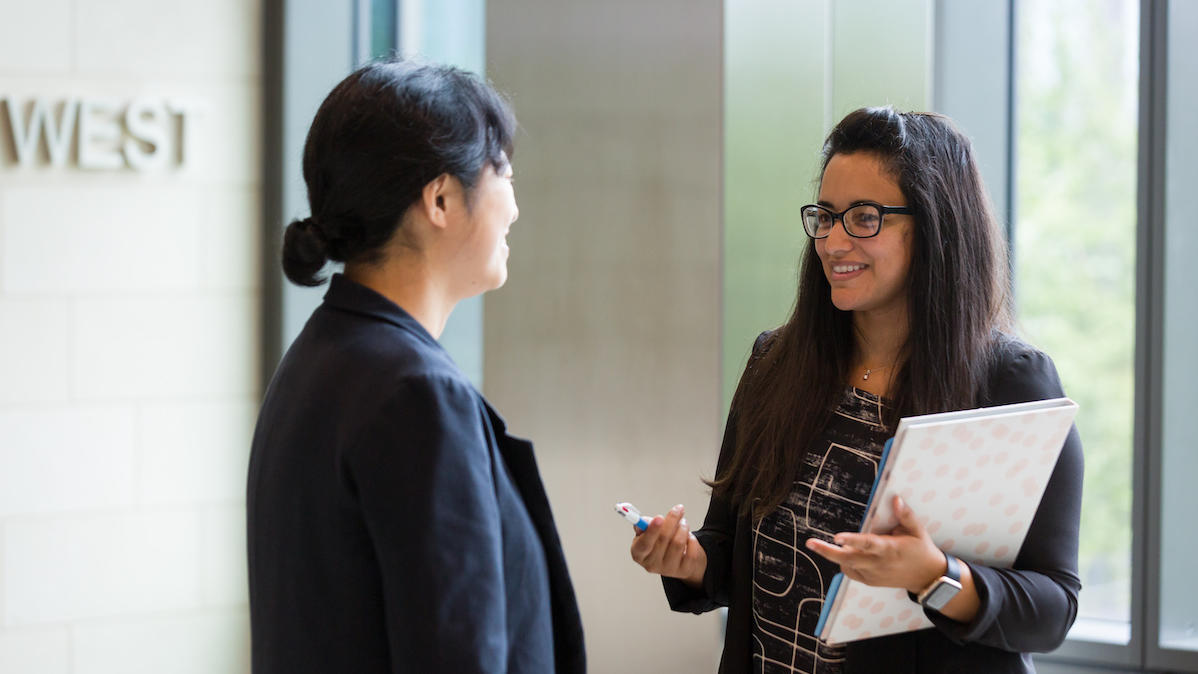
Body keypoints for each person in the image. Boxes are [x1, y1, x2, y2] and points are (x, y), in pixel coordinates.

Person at [629, 107, 1083, 673]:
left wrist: (932, 575)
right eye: (826, 215)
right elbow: (733, 550)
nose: (833, 242)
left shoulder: (1010, 382)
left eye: (865, 217)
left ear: (937, 226)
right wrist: (688, 560)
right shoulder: (777, 363)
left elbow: (1051, 608)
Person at [246, 60, 585, 674]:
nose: (513, 202)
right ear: (440, 198)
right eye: (501, 169)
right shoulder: (417, 396)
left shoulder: (322, 356)